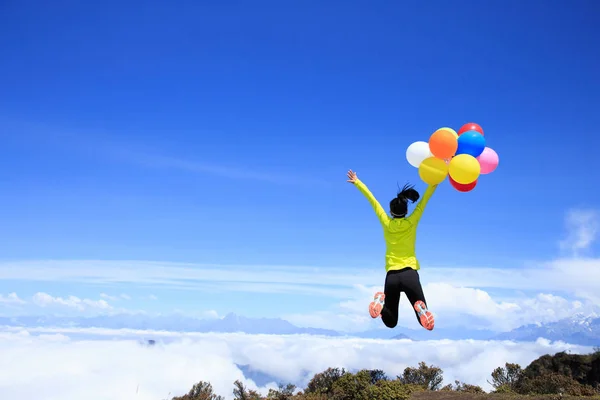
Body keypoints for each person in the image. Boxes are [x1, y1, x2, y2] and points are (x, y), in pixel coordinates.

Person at [346, 169, 436, 331]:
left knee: (391, 321)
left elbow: (373, 201)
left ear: (391, 211)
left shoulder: (386, 222)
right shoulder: (412, 222)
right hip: (410, 275)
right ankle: (421, 310)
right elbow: (425, 200)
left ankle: (380, 304)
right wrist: (435, 180)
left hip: (392, 277)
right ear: (406, 211)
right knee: (423, 319)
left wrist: (358, 182)